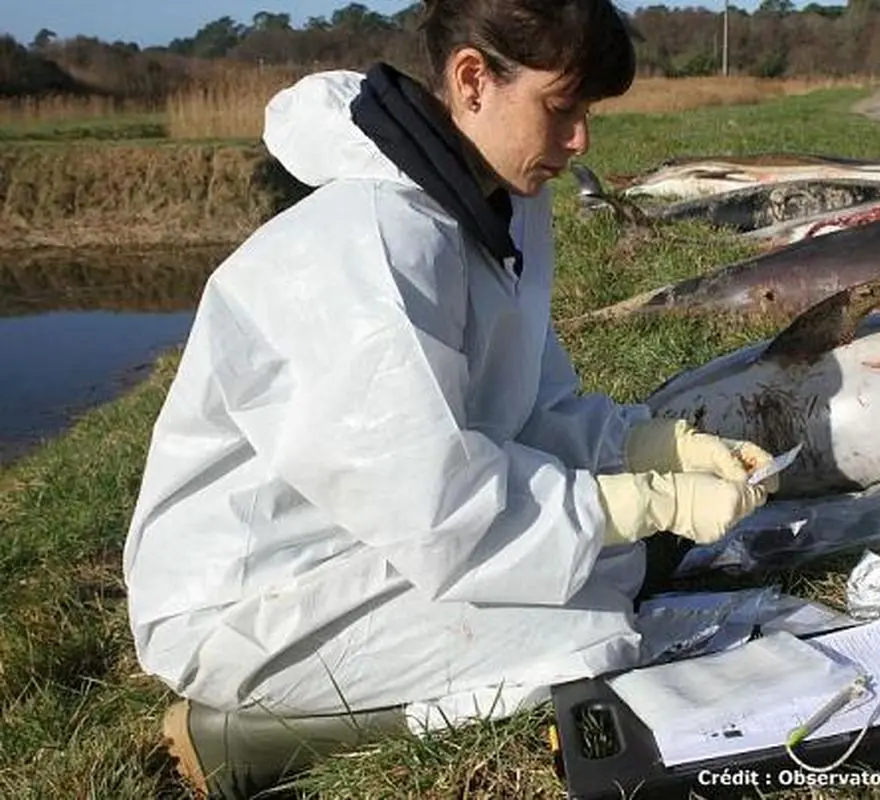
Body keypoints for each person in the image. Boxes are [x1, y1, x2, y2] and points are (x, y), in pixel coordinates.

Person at [122, 0, 780, 796]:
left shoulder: (496, 205)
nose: (579, 144)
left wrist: (651, 447)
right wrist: (643, 503)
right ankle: (243, 736)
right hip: (247, 595)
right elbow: (439, 506)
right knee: (590, 638)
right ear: (473, 80)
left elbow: (524, 407)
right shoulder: (369, 243)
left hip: (365, 529)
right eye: (562, 109)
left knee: (613, 568)